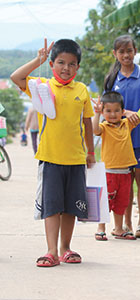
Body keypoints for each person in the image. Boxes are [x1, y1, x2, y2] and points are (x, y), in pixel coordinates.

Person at [10, 38, 95, 267]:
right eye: (60, 62)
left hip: (76, 159)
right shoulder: (40, 86)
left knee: (70, 207)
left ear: (78, 67)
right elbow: (16, 77)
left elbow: (87, 123)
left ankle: (66, 248)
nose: (66, 68)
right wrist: (37, 59)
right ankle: (51, 251)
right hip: (49, 159)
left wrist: (91, 153)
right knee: (52, 206)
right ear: (51, 64)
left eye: (71, 64)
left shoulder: (82, 90)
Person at [104, 35, 140, 238]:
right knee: (124, 182)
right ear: (115, 54)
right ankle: (125, 223)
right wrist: (126, 113)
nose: (126, 55)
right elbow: (106, 107)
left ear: (135, 51)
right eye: (121, 51)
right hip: (119, 140)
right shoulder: (112, 79)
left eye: (129, 50)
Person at [93, 91, 140, 241]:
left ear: (122, 111)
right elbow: (94, 130)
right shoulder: (104, 126)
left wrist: (126, 112)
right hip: (109, 172)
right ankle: (101, 227)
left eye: (116, 110)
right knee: (106, 202)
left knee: (122, 201)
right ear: (103, 112)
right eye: (108, 111)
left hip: (125, 172)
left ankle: (119, 228)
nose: (112, 114)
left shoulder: (127, 124)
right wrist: (97, 113)